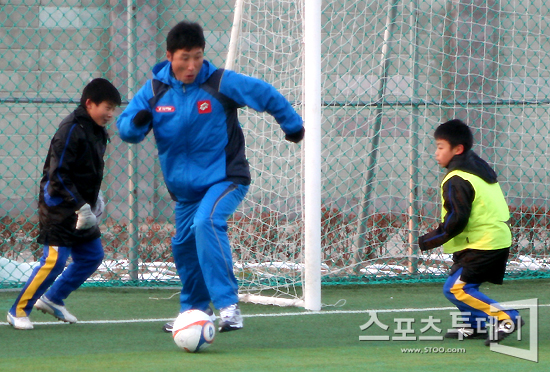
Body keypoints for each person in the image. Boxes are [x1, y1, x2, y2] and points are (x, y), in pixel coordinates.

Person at [116, 21, 304, 333]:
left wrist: (292, 125)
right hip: (185, 191)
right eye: (185, 58)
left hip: (225, 178)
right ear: (169, 56)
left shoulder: (220, 83)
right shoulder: (154, 91)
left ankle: (229, 307)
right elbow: (126, 131)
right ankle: (194, 312)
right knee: (185, 246)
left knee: (207, 223)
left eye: (198, 57)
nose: (191, 66)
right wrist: (137, 122)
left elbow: (265, 93)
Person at [7, 78, 121, 330]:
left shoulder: (97, 130)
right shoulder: (70, 129)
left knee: (92, 256)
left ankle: (54, 298)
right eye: (107, 107)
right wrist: (80, 205)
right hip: (58, 206)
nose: (111, 114)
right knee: (54, 261)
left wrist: (94, 199)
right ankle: (18, 310)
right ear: (89, 103)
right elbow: (57, 175)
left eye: (114, 108)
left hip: (81, 208)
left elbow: (87, 172)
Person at [418, 119, 523, 346]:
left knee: (457, 289)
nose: (436, 153)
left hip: (484, 242)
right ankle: (474, 324)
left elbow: (457, 219)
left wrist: (427, 241)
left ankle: (507, 318)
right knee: (462, 283)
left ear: (458, 149)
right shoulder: (476, 168)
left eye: (440, 147)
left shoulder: (457, 178)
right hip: (485, 240)